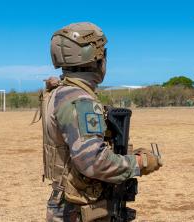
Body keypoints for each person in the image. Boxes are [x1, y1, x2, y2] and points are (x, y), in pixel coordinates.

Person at [41, 22, 162, 221]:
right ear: (98, 58)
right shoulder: (80, 100)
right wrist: (140, 162)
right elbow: (94, 162)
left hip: (69, 201)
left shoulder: (58, 92)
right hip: (80, 207)